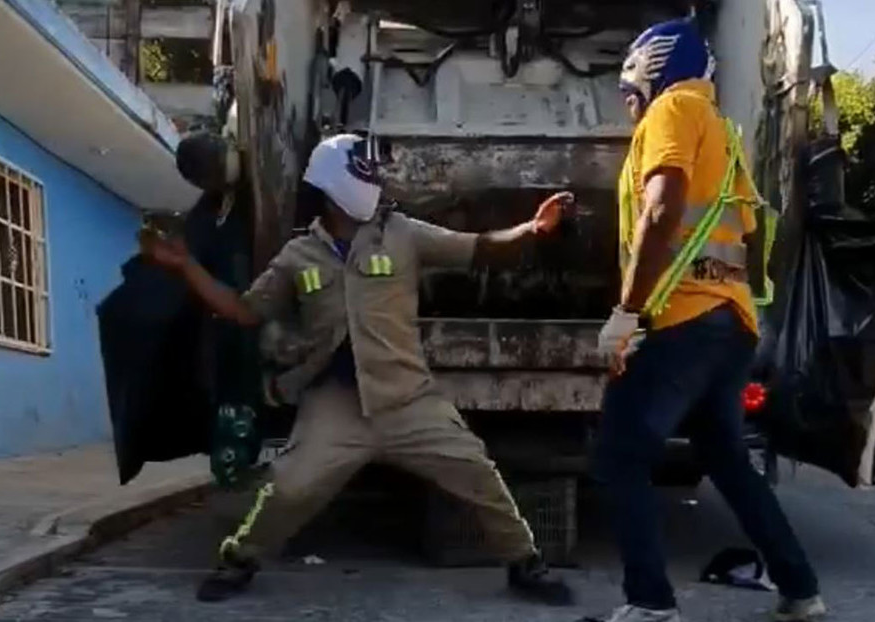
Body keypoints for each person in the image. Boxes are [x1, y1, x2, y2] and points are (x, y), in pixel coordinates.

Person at [140, 133, 575, 606]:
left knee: (477, 472)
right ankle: (239, 559)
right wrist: (185, 267)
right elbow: (244, 312)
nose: (375, 181)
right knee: (288, 487)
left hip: (407, 397)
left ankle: (525, 563)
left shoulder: (404, 233)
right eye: (364, 172)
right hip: (336, 403)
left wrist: (532, 230)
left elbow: (480, 249)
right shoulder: (298, 255)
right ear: (332, 182)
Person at [590, 18, 826, 622]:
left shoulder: (674, 108)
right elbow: (750, 232)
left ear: (652, 68)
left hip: (680, 318)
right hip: (731, 323)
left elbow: (662, 206)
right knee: (725, 459)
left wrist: (628, 313)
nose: (629, 103)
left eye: (629, 88)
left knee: (620, 454)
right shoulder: (724, 131)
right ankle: (800, 589)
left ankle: (650, 603)